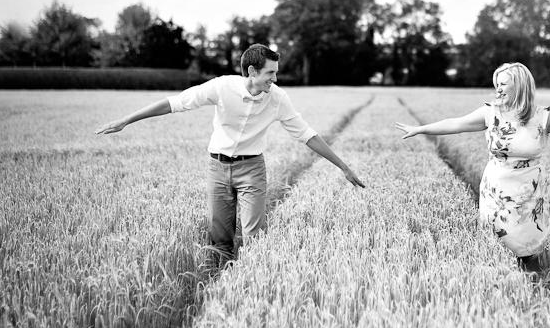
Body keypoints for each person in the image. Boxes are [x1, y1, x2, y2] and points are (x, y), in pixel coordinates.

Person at [94, 44, 365, 269]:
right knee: (219, 238)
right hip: (218, 168)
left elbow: (307, 135)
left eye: (276, 73)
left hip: (252, 170)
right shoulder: (222, 87)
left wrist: (343, 166)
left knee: (253, 238)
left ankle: (251, 287)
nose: (275, 79)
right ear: (252, 71)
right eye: (270, 73)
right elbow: (174, 103)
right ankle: (218, 287)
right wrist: (127, 120)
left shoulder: (278, 98)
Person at [393, 61, 550, 269]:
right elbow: (456, 124)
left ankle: (531, 285)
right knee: (498, 242)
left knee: (525, 246)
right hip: (497, 190)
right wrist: (420, 129)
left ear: (520, 85)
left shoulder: (542, 116)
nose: (498, 88)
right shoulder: (490, 112)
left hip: (527, 191)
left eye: (503, 84)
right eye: (496, 84)